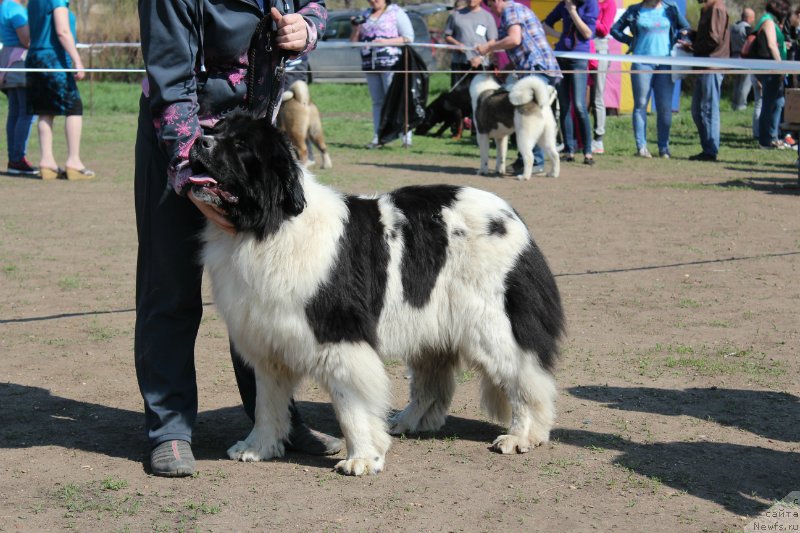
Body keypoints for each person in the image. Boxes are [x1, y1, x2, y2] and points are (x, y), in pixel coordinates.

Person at [136, 0, 341, 478]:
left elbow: (316, 6)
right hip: (179, 142)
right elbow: (171, 82)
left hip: (251, 144)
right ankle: (169, 430)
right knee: (169, 291)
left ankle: (276, 422)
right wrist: (190, 173)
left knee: (265, 294)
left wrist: (306, 28)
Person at [475, 0, 562, 176]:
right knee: (537, 116)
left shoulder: (511, 10)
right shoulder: (515, 10)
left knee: (528, 117)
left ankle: (533, 163)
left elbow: (515, 39)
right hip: (538, 67)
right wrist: (507, 69)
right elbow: (521, 44)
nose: (492, 10)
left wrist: (489, 47)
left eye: (491, 6)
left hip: (537, 67)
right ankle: (536, 162)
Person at [611, 0, 690, 159]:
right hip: (642, 62)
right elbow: (615, 30)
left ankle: (664, 148)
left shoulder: (671, 8)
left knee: (665, 107)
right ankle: (641, 146)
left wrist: (682, 37)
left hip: (666, 63)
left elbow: (686, 27)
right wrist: (630, 41)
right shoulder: (634, 10)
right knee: (640, 104)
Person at [25, 0, 93, 180]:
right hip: (54, 60)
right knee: (74, 108)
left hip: (35, 58)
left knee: (45, 111)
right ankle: (74, 162)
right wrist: (77, 60)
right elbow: (62, 31)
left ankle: (47, 163)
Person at [350, 0, 414, 148]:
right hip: (370, 64)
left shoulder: (396, 12)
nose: (373, 1)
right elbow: (354, 42)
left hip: (391, 63)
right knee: (377, 102)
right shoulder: (364, 15)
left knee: (395, 100)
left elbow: (408, 37)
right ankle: (378, 136)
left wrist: (386, 41)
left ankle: (406, 136)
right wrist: (355, 28)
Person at [544, 0, 598, 166]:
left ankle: (588, 151)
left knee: (580, 106)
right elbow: (545, 24)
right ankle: (569, 150)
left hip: (579, 58)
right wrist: (559, 36)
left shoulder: (590, 4)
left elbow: (588, 34)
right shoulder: (564, 4)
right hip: (561, 56)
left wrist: (573, 12)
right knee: (564, 104)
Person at [684, 0, 729, 162]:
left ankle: (711, 150)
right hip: (703, 64)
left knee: (709, 109)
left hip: (713, 65)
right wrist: (692, 36)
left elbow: (714, 39)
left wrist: (694, 47)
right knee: (697, 110)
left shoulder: (717, 8)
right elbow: (708, 36)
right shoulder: (707, 9)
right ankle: (707, 148)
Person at [0, 0, 37, 176]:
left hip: (8, 61)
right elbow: (26, 40)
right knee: (26, 112)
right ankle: (18, 158)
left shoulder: (3, 7)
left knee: (15, 111)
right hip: (19, 62)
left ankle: (14, 158)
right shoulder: (15, 9)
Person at [750, 0, 791, 149]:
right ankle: (765, 141)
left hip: (771, 68)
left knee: (778, 102)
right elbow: (771, 45)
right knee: (768, 104)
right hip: (771, 69)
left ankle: (772, 136)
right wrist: (781, 68)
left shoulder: (767, 20)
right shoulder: (768, 21)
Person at [443, 0, 497, 88]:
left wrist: (481, 58)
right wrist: (457, 44)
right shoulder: (456, 15)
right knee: (459, 95)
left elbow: (492, 42)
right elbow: (447, 36)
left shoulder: (488, 17)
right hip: (460, 62)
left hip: (481, 64)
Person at [589, 0, 616, 155]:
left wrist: (589, 19)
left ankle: (598, 138)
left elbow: (604, 29)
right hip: (582, 49)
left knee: (597, 96)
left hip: (600, 51)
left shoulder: (609, 3)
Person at [730, 8, 755, 111]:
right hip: (745, 59)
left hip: (734, 58)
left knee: (737, 82)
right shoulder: (747, 29)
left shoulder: (733, 27)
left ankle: (734, 104)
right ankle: (741, 105)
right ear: (748, 18)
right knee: (745, 84)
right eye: (753, 18)